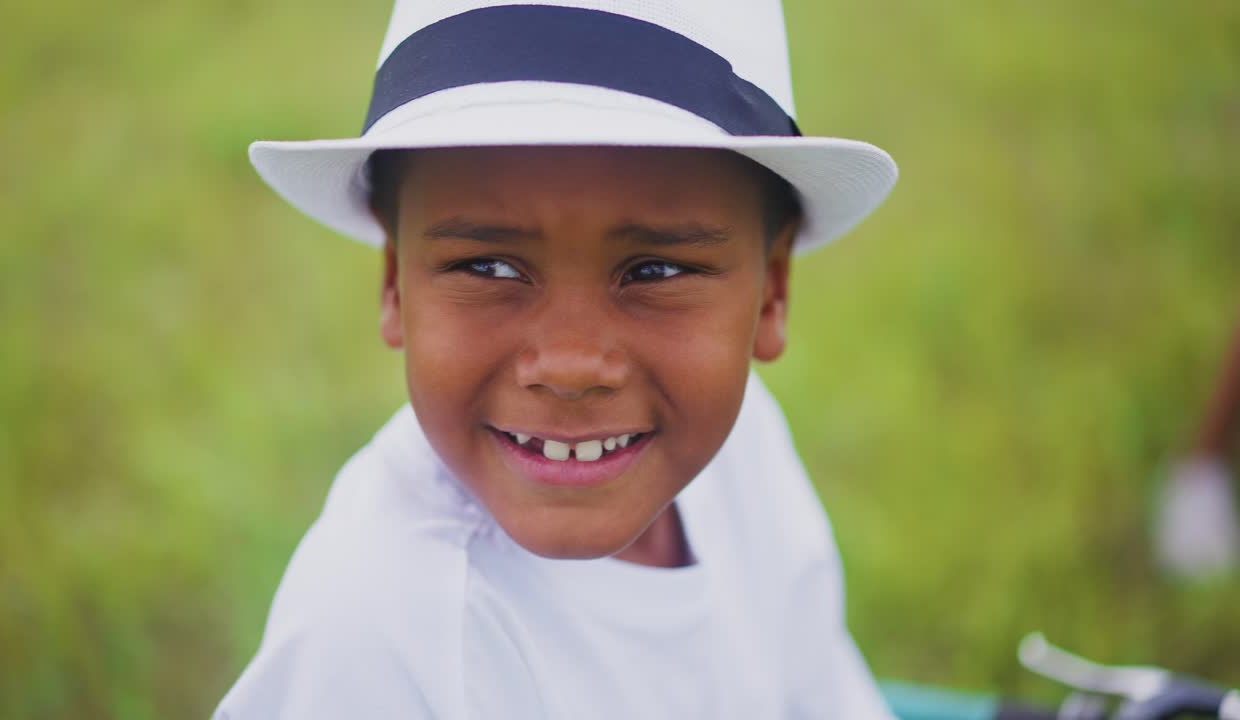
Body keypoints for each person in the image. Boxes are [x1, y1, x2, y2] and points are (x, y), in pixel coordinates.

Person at [215, 1, 899, 717]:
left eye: (655, 272)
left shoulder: (745, 449)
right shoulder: (373, 644)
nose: (570, 366)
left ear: (771, 292)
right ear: (394, 280)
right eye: (490, 267)